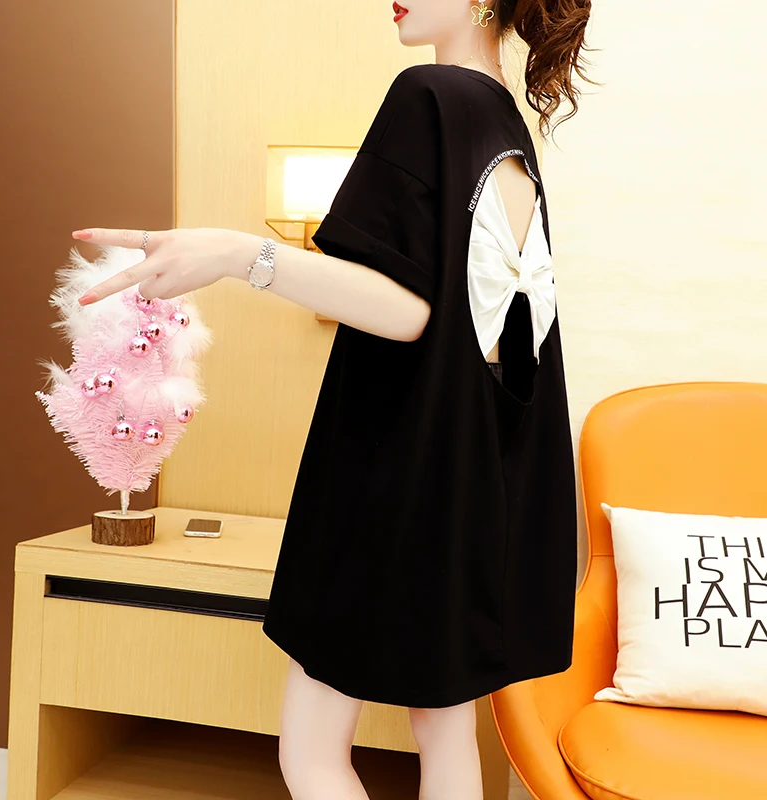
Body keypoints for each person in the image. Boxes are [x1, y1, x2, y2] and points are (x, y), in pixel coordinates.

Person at [73, 2, 595, 798]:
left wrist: (237, 254)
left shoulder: (428, 95)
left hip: (393, 478)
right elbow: (495, 336)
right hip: (474, 484)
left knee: (313, 753)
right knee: (444, 730)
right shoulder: (504, 125)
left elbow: (408, 310)